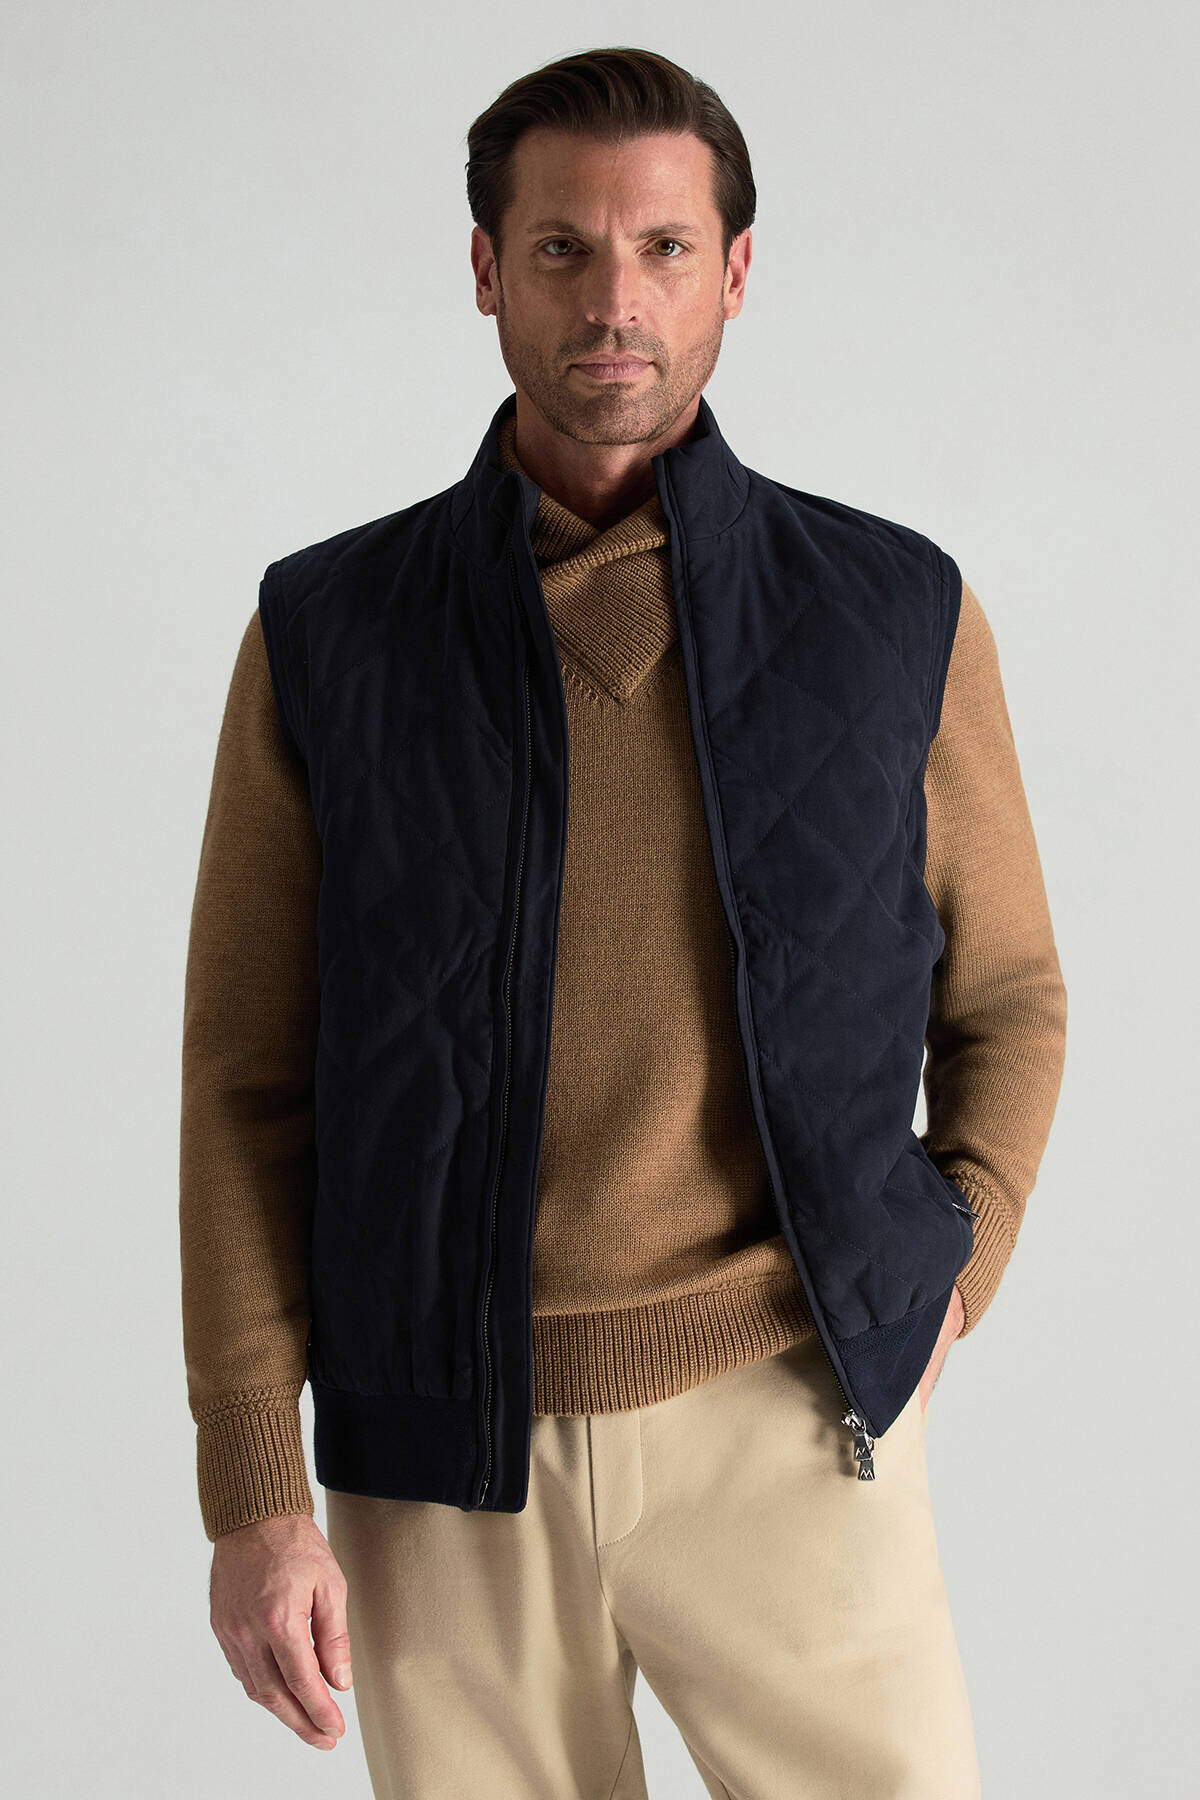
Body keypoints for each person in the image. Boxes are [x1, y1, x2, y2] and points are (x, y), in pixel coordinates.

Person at [179, 44, 1067, 1800]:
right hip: (440, 1458)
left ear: (735, 271)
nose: (614, 300)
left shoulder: (894, 611)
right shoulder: (330, 635)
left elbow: (1014, 991)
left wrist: (949, 1263)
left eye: (662, 249)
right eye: (563, 249)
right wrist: (255, 1491)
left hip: (785, 1411)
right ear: (486, 270)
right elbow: (245, 1083)